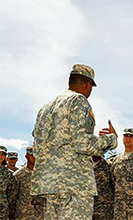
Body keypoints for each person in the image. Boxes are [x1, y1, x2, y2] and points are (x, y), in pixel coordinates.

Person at [31, 64, 118, 220]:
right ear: (87, 84)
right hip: (74, 183)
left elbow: (37, 146)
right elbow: (82, 143)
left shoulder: (46, 107)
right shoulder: (78, 100)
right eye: (91, 86)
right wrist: (111, 139)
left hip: (49, 184)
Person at [14, 146, 45, 220]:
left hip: (39, 215)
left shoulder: (43, 174)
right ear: (26, 156)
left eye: (36, 155)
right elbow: (13, 196)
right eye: (32, 155)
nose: (34, 158)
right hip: (23, 215)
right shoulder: (18, 175)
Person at [92, 155, 114, 220]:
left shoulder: (108, 165)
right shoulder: (83, 165)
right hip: (87, 206)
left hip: (104, 207)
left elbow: (114, 185)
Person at [0, 145, 18, 220]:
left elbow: (12, 193)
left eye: (2, 154)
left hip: (2, 211)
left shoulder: (9, 174)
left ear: (5, 157)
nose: (0, 156)